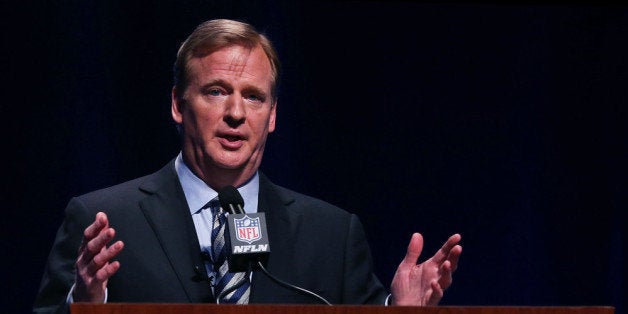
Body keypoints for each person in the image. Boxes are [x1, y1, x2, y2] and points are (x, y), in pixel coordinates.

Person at [34, 18, 462, 313]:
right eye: (217, 91)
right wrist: (85, 305)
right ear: (178, 104)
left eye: (254, 97)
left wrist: (400, 310)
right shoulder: (105, 221)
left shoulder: (331, 234)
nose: (236, 113)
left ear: (273, 115)